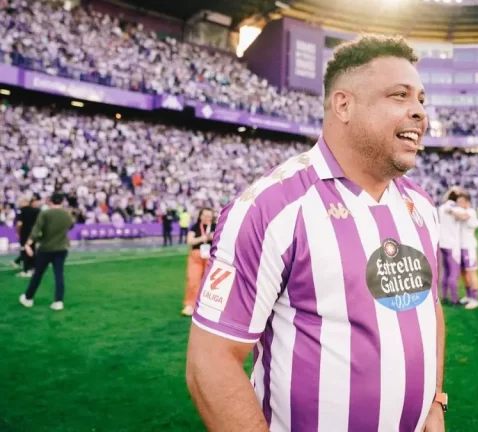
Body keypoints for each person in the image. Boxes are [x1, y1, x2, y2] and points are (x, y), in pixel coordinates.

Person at [185, 35, 447, 432]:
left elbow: (428, 309)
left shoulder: (422, 207)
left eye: (421, 100)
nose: (419, 113)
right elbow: (210, 361)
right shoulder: (271, 209)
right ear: (343, 104)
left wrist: (436, 401)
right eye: (400, 96)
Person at [18, 193, 76, 311]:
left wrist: (28, 244)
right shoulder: (67, 214)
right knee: (59, 275)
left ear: (50, 201)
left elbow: (36, 229)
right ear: (62, 201)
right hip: (61, 248)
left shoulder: (45, 213)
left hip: (45, 249)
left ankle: (28, 298)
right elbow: (71, 226)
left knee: (37, 275)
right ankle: (58, 301)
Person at [181, 208, 216, 317]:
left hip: (211, 256)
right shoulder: (195, 227)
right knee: (193, 280)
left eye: (209, 216)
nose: (207, 218)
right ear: (200, 216)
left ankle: (209, 306)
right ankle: (190, 305)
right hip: (196, 256)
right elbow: (190, 241)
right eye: (205, 215)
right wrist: (203, 238)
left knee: (211, 283)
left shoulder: (216, 227)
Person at [437, 186, 469, 305]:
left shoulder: (441, 208)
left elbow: (445, 199)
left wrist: (451, 191)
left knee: (445, 271)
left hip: (442, 243)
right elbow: (466, 216)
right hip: (452, 244)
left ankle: (444, 296)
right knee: (453, 273)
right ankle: (454, 299)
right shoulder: (457, 208)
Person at [455, 192, 478, 310]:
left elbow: (463, 216)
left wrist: (449, 210)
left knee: (471, 272)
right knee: (463, 272)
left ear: (467, 203)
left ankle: (475, 299)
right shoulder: (460, 211)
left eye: (461, 202)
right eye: (457, 202)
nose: (458, 204)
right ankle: (468, 295)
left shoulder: (470, 212)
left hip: (469, 247)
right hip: (459, 246)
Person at [14, 194, 42, 277]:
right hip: (33, 234)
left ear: (24, 202)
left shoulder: (21, 211)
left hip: (25, 234)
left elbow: (19, 224)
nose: (18, 203)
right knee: (32, 250)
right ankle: (34, 268)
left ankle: (26, 270)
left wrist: (18, 232)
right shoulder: (36, 210)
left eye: (20, 202)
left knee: (24, 251)